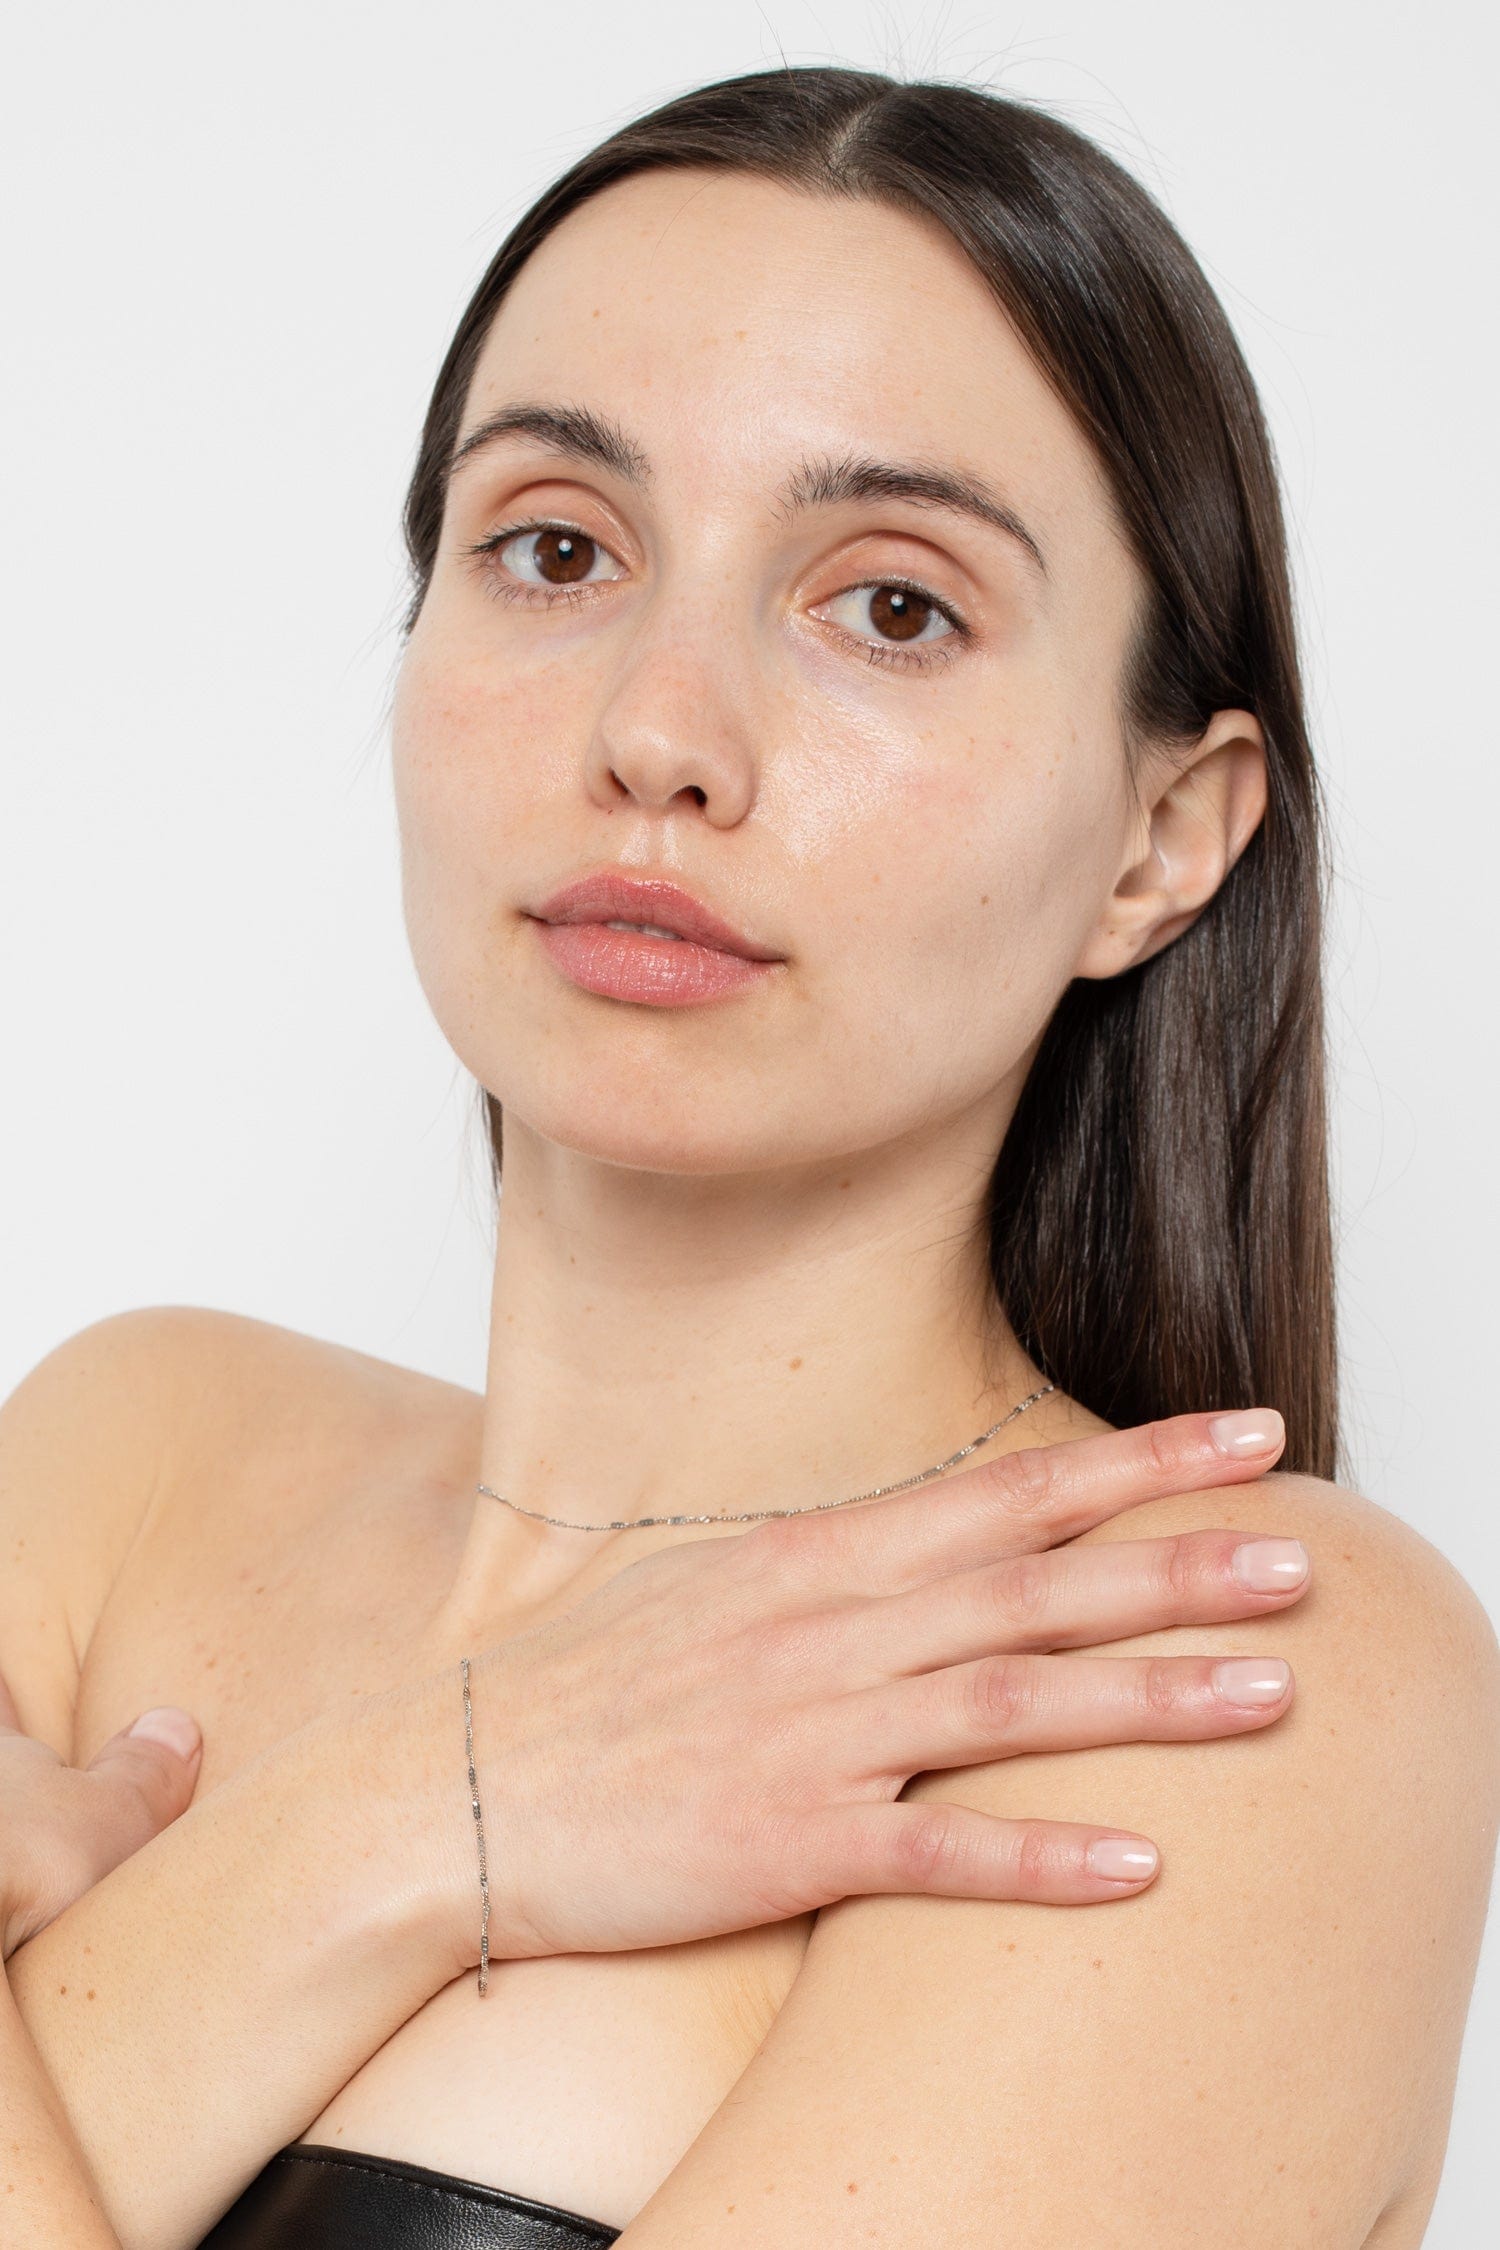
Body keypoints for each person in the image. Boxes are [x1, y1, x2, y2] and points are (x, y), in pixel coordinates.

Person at [1, 60, 1495, 2250]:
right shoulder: (128, 1451)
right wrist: (436, 1811)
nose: (659, 734)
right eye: (554, 549)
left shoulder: (1224, 1665)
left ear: (1162, 839)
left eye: (891, 605)